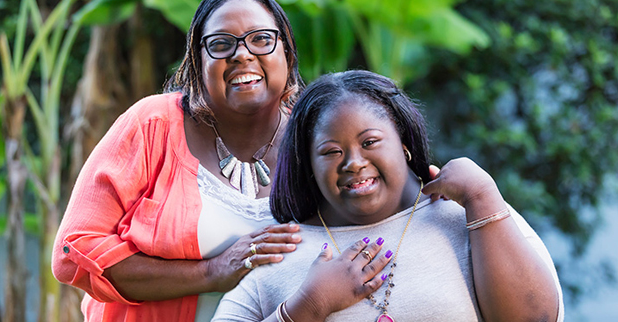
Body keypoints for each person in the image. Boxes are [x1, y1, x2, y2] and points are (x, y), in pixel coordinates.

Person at [212, 70, 564, 321]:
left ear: (405, 144)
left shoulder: (473, 216)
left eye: (370, 142)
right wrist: (309, 306)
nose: (353, 162)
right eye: (332, 151)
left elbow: (538, 318)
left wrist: (483, 196)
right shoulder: (281, 252)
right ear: (308, 166)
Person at [51, 0, 306, 320]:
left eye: (261, 39)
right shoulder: (151, 126)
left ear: (287, 49)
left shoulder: (314, 137)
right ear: (199, 62)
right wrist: (212, 272)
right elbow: (73, 252)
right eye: (221, 44)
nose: (242, 54)